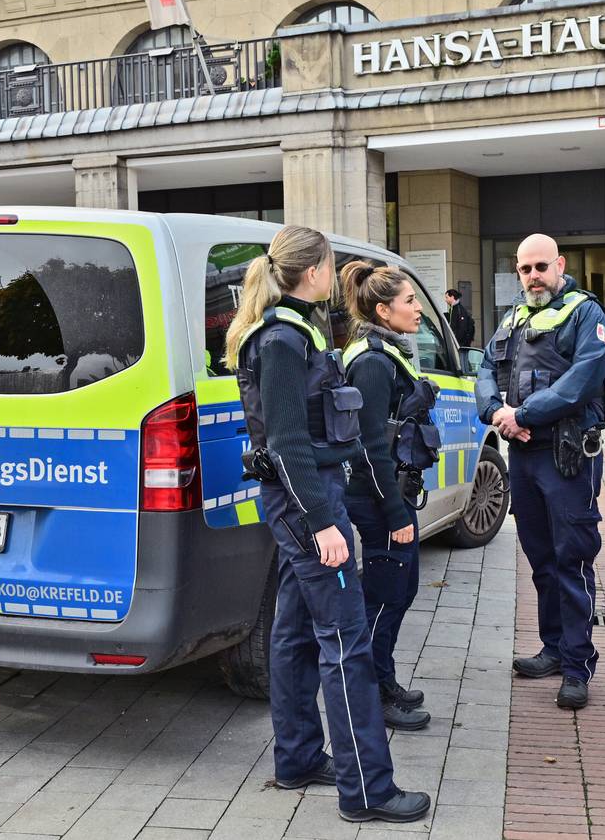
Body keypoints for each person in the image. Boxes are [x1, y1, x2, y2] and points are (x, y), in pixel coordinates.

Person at [223, 226, 430, 825]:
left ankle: (297, 758)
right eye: (329, 265)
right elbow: (288, 444)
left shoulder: (291, 330)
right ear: (312, 271)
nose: (333, 274)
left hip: (299, 500)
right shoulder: (284, 339)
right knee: (346, 643)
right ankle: (367, 790)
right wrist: (323, 523)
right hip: (308, 503)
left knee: (291, 631)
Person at [475, 233, 605, 710]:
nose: (533, 276)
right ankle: (553, 648)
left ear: (559, 264)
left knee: (572, 559)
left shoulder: (585, 313)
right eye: (525, 268)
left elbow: (584, 380)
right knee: (541, 560)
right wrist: (495, 411)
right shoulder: (513, 316)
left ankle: (577, 666)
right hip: (524, 453)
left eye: (540, 267)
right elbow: (486, 369)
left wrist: (522, 415)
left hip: (566, 455)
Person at [340, 261, 439, 732]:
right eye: (410, 301)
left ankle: (385, 679)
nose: (418, 309)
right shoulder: (374, 362)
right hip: (379, 498)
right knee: (385, 595)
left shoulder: (382, 353)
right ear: (384, 309)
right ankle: (375, 695)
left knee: (399, 589)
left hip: (386, 495)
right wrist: (395, 510)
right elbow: (371, 446)